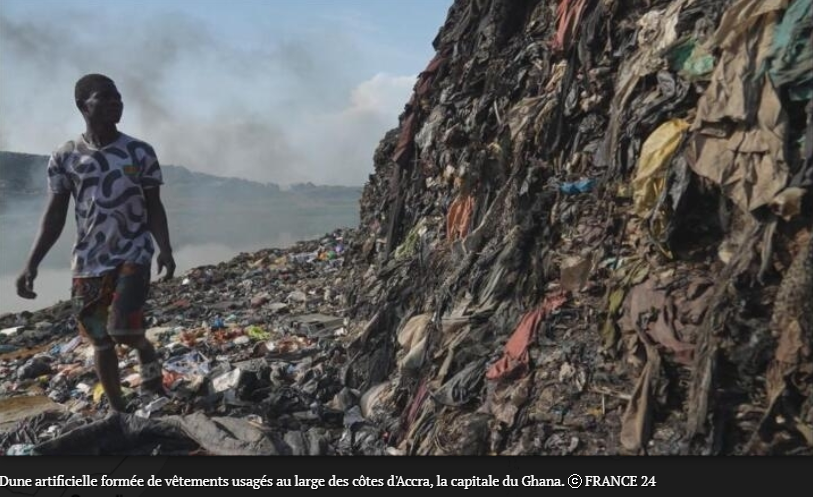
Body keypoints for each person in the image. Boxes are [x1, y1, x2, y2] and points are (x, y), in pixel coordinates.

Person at [15, 73, 176, 413]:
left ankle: (145, 357)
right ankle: (119, 411)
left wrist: (165, 248)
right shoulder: (65, 156)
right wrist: (32, 262)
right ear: (82, 106)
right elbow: (55, 214)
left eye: (118, 97)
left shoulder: (139, 152)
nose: (116, 102)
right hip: (88, 259)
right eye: (106, 97)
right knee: (100, 341)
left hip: (133, 252)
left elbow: (154, 206)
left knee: (121, 330)